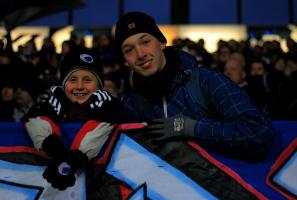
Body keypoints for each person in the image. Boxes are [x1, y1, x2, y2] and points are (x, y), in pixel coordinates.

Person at [115, 11, 274, 158]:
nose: (140, 54)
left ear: (162, 43)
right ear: (125, 61)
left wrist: (192, 128)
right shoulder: (131, 104)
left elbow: (258, 133)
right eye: (129, 50)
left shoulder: (206, 81)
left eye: (145, 42)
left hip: (223, 186)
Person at [23, 50, 120, 190]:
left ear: (99, 85)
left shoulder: (108, 104)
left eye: (87, 80)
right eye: (72, 80)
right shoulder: (54, 99)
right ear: (63, 84)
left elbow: (101, 125)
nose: (80, 86)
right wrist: (59, 155)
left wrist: (71, 161)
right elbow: (36, 119)